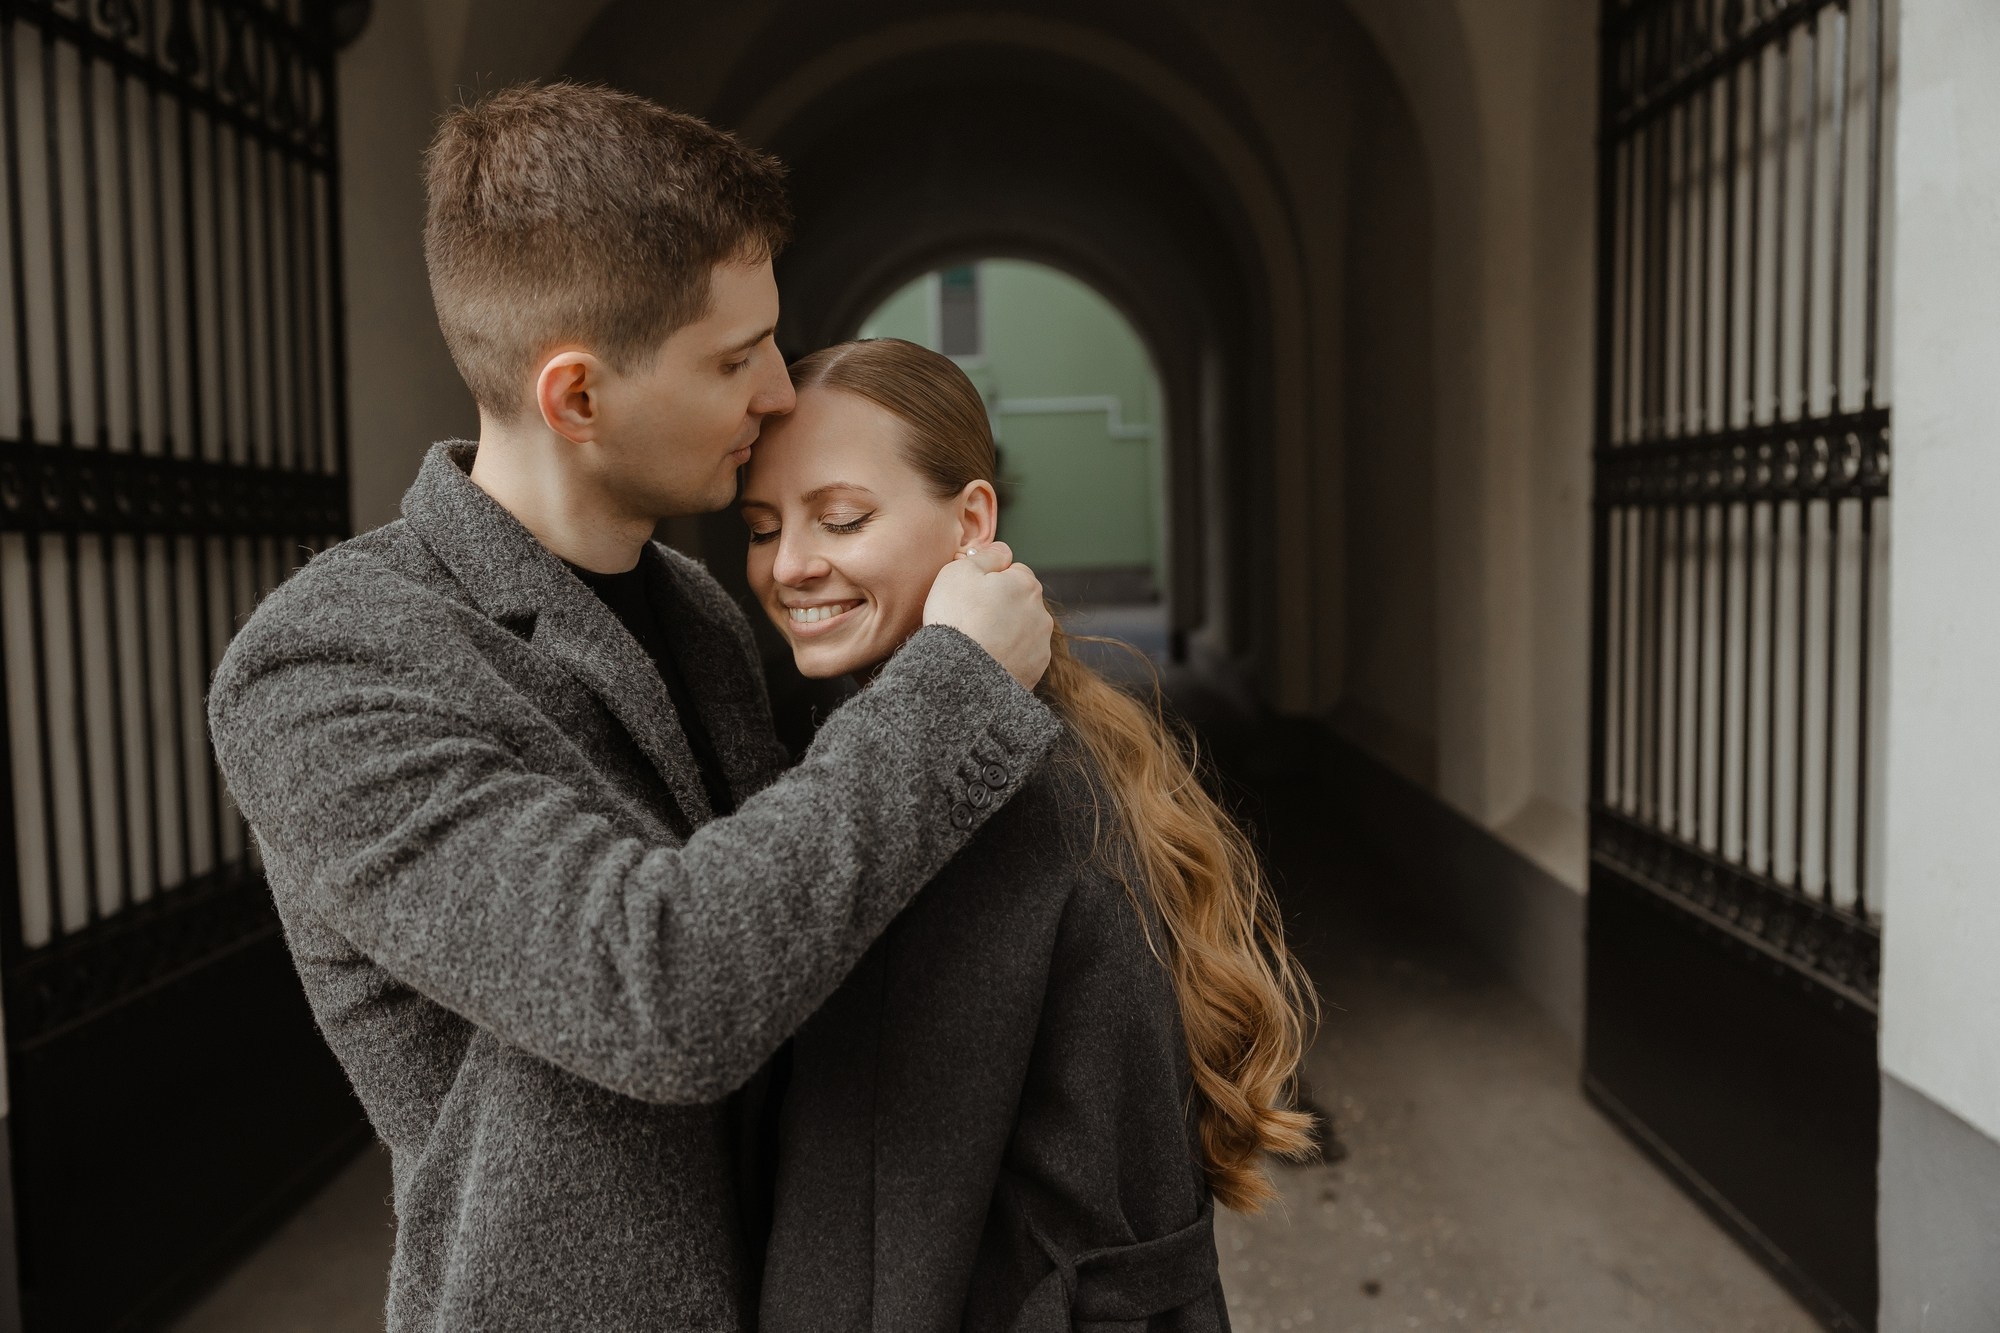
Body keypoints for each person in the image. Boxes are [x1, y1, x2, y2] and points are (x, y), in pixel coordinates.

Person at [205, 84, 1058, 1332]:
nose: (777, 389)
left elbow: (807, 918)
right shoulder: (328, 667)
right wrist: (951, 693)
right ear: (576, 398)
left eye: (769, 338)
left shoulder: (700, 606)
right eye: (732, 358)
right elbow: (662, 992)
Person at [739, 338, 1318, 1331]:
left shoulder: (986, 806)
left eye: (840, 517)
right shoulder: (999, 748)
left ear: (971, 520)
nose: (790, 563)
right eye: (759, 527)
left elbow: (889, 1231)